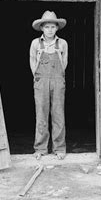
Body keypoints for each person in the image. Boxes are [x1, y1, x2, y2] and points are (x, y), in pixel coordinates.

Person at [29, 10, 68, 160]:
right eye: (47, 27)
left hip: (58, 80)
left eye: (53, 27)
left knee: (58, 114)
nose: (50, 30)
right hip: (41, 81)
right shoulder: (36, 43)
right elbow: (33, 62)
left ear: (57, 28)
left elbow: (64, 63)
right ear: (42, 28)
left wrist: (56, 77)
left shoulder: (62, 43)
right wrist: (39, 78)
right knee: (41, 114)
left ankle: (59, 148)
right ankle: (40, 148)